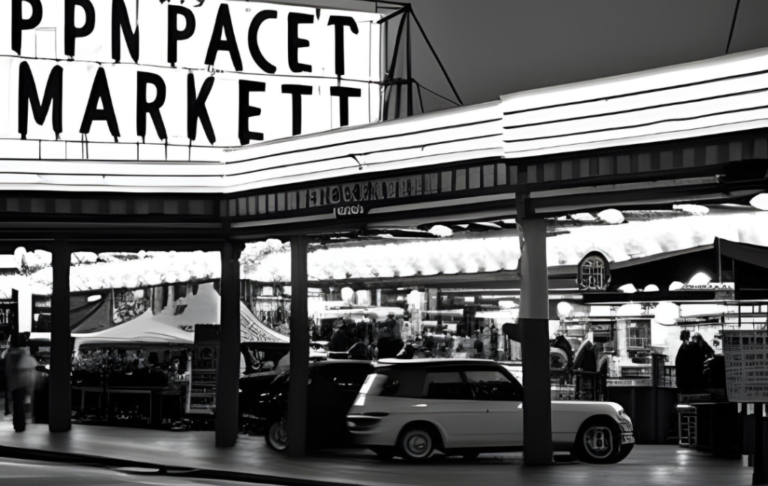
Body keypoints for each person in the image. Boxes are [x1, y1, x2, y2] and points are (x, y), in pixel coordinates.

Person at [5, 333, 38, 432]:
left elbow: (8, 370)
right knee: (20, 405)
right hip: (22, 382)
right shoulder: (22, 353)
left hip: (14, 383)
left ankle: (18, 425)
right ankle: (20, 425)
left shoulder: (8, 355)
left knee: (17, 405)